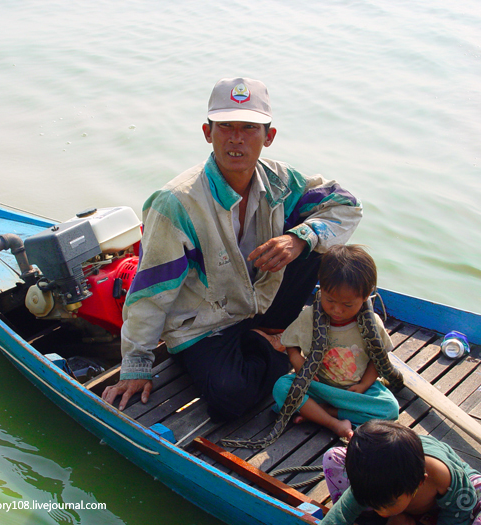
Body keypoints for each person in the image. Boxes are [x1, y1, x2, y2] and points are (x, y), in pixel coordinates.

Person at [101, 77, 363, 421]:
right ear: (208, 132)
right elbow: (152, 290)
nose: (236, 138)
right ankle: (277, 347)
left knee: (324, 243)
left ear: (268, 137)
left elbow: (347, 205)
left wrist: (298, 238)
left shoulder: (282, 182)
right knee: (230, 399)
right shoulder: (176, 203)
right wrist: (136, 365)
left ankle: (271, 338)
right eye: (225, 126)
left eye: (249, 128)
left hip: (262, 301)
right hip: (205, 324)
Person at [258, 244, 399, 439]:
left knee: (390, 408)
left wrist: (365, 384)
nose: (337, 310)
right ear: (321, 288)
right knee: (282, 387)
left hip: (353, 390)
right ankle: (333, 422)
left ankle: (318, 413)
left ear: (366, 296)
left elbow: (379, 357)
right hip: (319, 385)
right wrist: (297, 360)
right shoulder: (311, 315)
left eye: (347, 304)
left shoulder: (372, 323)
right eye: (330, 300)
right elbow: (291, 342)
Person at [320, 420, 481, 525]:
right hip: (402, 503)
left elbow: (458, 513)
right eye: (375, 506)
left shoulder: (442, 475)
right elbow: (340, 514)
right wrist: (390, 517)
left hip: (455, 505)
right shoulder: (372, 480)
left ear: (420, 482)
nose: (380, 511)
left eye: (386, 506)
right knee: (333, 458)